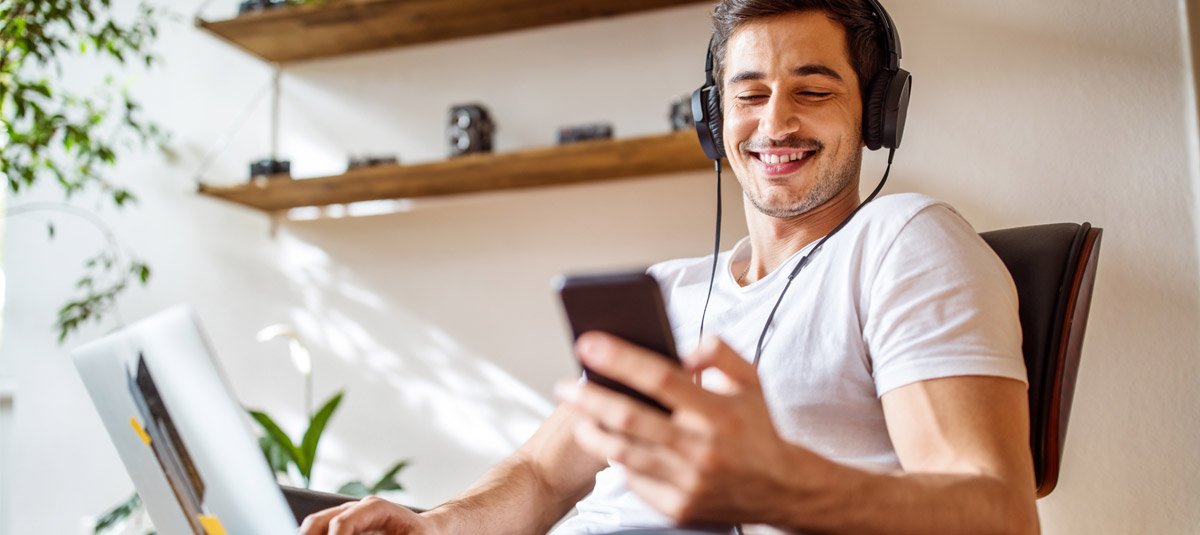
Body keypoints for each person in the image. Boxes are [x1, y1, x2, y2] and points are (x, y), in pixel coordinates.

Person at [301, 1, 1040, 533]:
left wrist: (782, 486)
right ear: (716, 123)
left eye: (813, 90)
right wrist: (432, 525)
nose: (775, 122)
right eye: (749, 95)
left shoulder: (904, 241)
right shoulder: (673, 289)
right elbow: (542, 474)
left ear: (879, 113)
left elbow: (998, 512)